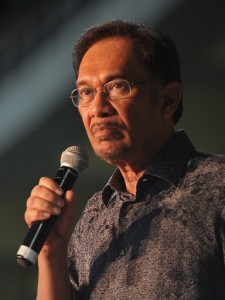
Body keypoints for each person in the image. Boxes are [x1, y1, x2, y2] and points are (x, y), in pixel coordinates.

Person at [24, 20, 225, 300]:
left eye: (117, 86)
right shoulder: (94, 217)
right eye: (86, 92)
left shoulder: (218, 188)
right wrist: (51, 253)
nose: (97, 108)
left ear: (169, 99)